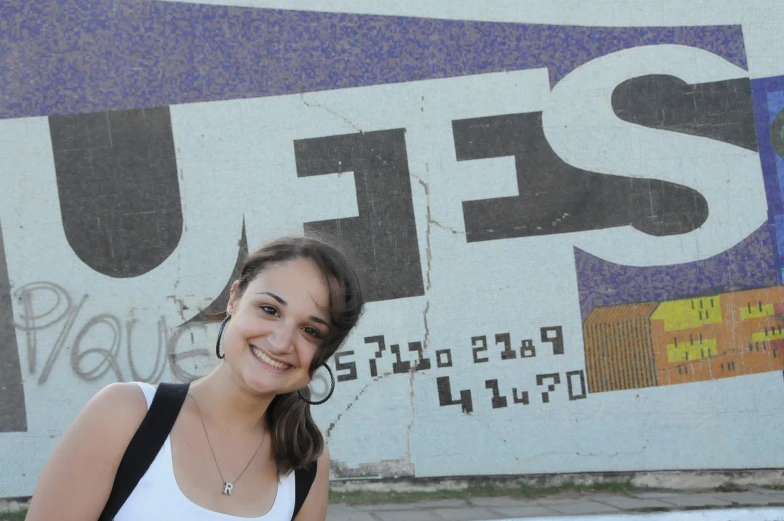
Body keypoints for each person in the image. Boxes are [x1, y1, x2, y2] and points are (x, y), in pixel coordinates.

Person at [25, 236, 365, 521]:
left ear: (326, 349)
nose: (280, 343)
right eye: (270, 310)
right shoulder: (125, 414)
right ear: (234, 299)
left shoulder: (307, 461)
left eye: (310, 330)